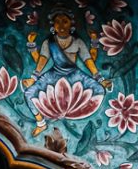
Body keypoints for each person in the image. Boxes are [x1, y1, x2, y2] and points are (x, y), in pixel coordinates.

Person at [21, 8, 111, 136]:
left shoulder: (77, 42)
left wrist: (101, 79)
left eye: (65, 21)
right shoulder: (49, 42)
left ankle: (77, 113)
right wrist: (33, 78)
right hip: (54, 73)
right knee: (28, 94)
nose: (61, 25)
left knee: (100, 90)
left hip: (74, 74)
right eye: (57, 22)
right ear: (53, 26)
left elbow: (88, 60)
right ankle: (41, 123)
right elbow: (42, 60)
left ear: (71, 24)